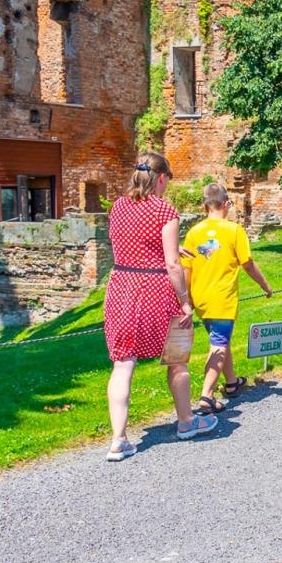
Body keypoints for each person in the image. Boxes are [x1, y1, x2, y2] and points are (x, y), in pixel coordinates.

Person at [102, 152, 216, 461]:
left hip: (122, 288)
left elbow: (132, 244)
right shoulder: (164, 210)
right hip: (155, 290)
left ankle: (118, 440)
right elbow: (172, 264)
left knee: (123, 365)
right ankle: (186, 422)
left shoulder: (119, 207)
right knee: (176, 359)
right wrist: (185, 300)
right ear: (161, 178)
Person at [181, 182, 273, 416]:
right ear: (226, 204)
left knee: (219, 339)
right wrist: (265, 285)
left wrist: (186, 299)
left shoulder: (193, 233)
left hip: (201, 298)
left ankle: (231, 382)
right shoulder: (234, 230)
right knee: (219, 345)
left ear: (205, 206)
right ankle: (206, 396)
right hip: (222, 298)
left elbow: (186, 270)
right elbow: (248, 264)